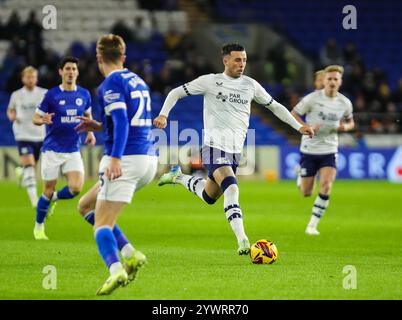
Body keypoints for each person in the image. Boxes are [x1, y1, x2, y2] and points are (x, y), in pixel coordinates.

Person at [153, 43, 314, 255]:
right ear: (225, 60)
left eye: (245, 60)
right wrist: (164, 114)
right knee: (232, 187)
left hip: (235, 152)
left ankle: (178, 177)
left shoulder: (250, 85)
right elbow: (175, 92)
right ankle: (243, 240)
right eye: (238, 60)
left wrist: (298, 125)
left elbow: (275, 106)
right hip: (213, 147)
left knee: (209, 196)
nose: (242, 64)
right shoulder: (210, 81)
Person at [74, 34, 158, 295]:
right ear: (123, 56)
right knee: (85, 206)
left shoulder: (110, 83)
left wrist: (115, 157)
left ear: (99, 58)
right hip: (147, 159)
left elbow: (122, 121)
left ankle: (115, 270)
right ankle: (131, 254)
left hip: (126, 159)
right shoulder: (138, 80)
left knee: (102, 225)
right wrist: (98, 126)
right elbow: (128, 119)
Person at [32, 56, 96, 240]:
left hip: (72, 150)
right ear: (61, 72)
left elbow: (88, 116)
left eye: (74, 69)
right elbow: (35, 118)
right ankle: (39, 227)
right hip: (52, 149)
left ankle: (52, 200)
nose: (71, 72)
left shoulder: (84, 94)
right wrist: (41, 120)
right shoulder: (52, 94)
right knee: (48, 189)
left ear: (77, 72)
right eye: (67, 68)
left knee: (76, 188)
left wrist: (90, 133)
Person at [291, 65, 355, 235]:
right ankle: (300, 176)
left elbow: (351, 122)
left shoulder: (345, 103)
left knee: (326, 185)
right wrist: (305, 126)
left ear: (340, 82)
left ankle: (312, 225)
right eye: (330, 79)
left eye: (336, 79)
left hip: (329, 149)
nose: (332, 81)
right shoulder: (312, 99)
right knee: (306, 192)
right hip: (309, 149)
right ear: (324, 80)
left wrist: (346, 127)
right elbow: (293, 113)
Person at [7, 66, 47, 207]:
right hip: (22, 134)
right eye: (28, 77)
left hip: (40, 135)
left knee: (33, 166)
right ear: (23, 78)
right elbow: (10, 110)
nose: (30, 80)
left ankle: (21, 172)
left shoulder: (44, 93)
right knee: (30, 167)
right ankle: (34, 202)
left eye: (33, 77)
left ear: (36, 78)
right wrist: (12, 116)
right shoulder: (16, 95)